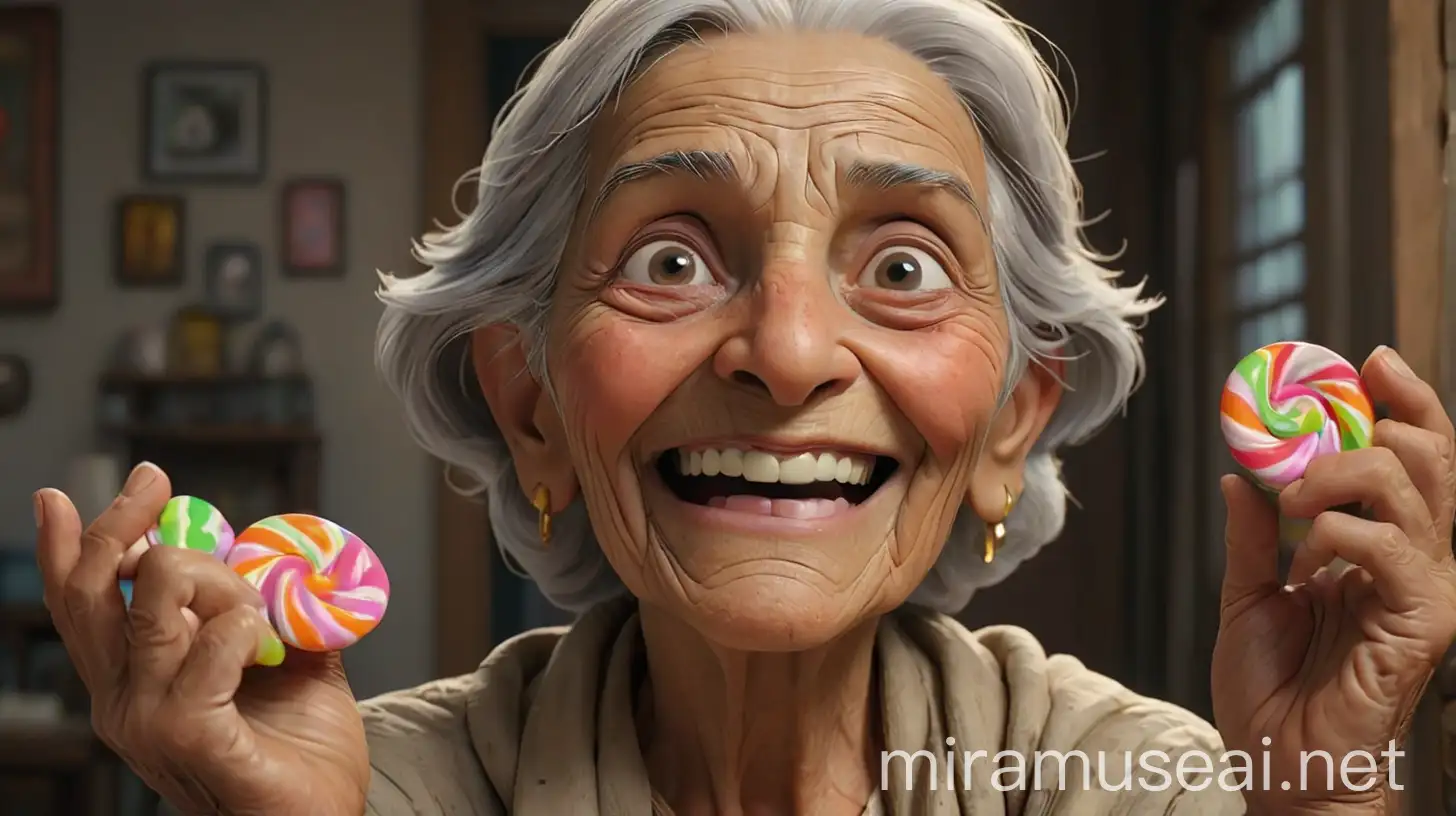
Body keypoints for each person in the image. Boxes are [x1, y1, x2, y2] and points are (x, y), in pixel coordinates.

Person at [30, 0, 1456, 813]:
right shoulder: (360, 794)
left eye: (902, 265)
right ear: (530, 407)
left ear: (1015, 420)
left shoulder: (1137, 786)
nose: (784, 350)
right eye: (671, 258)